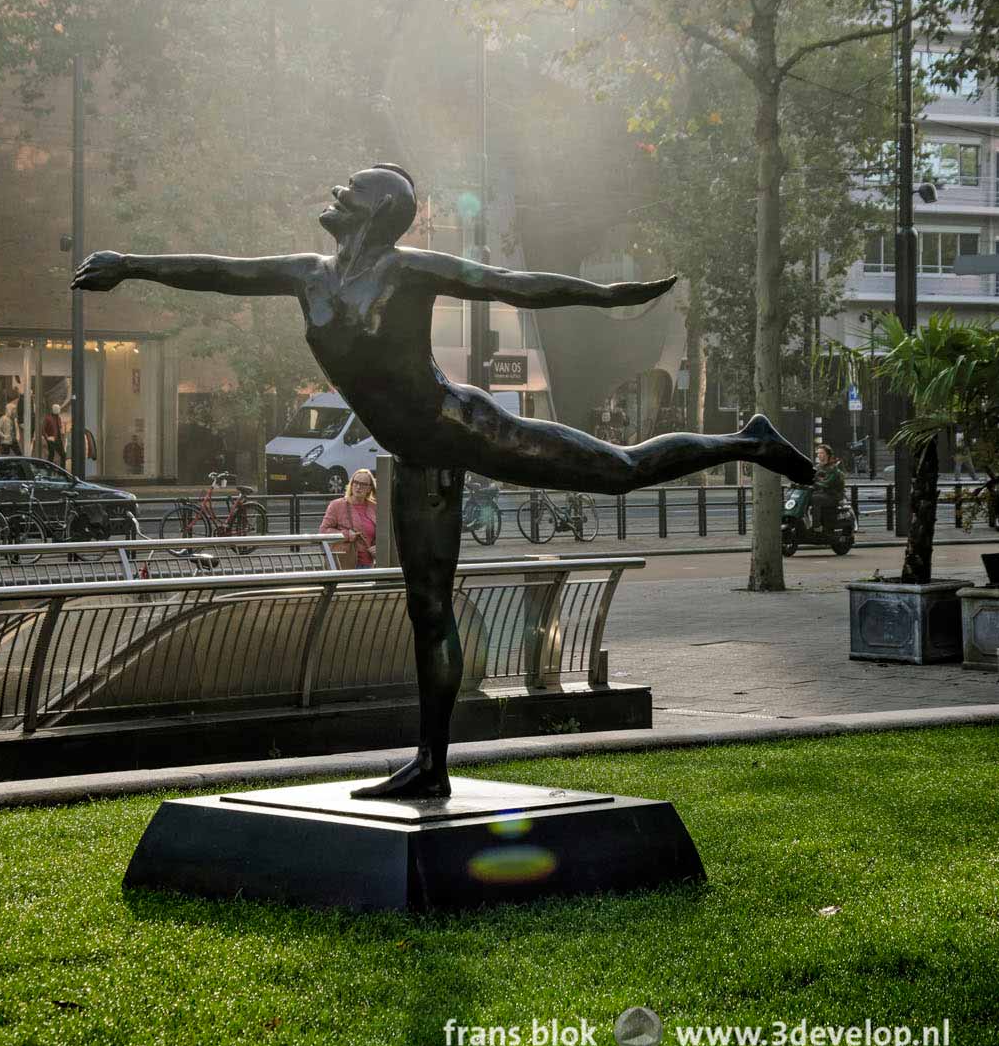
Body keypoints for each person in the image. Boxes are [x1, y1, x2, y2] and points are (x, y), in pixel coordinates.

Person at [73, 162, 814, 800]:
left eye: (351, 189)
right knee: (427, 612)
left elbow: (511, 285)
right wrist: (131, 263)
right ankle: (432, 765)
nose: (336, 192)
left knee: (616, 472)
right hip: (416, 457)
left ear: (378, 212)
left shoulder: (409, 269)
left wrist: (604, 298)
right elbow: (219, 272)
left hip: (465, 427)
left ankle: (744, 441)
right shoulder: (307, 275)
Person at [320, 468, 377, 566]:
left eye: (363, 484)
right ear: (351, 484)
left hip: (368, 564)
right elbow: (323, 530)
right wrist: (346, 534)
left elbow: (382, 533)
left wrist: (378, 546)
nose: (358, 487)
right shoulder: (337, 505)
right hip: (345, 563)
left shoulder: (375, 507)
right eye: (356, 482)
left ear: (369, 488)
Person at [811, 444, 845, 532]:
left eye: (821, 453)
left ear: (828, 454)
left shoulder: (833, 468)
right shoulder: (817, 467)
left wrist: (815, 483)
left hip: (832, 495)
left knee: (815, 499)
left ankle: (817, 526)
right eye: (818, 453)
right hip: (822, 494)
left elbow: (827, 483)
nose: (819, 455)